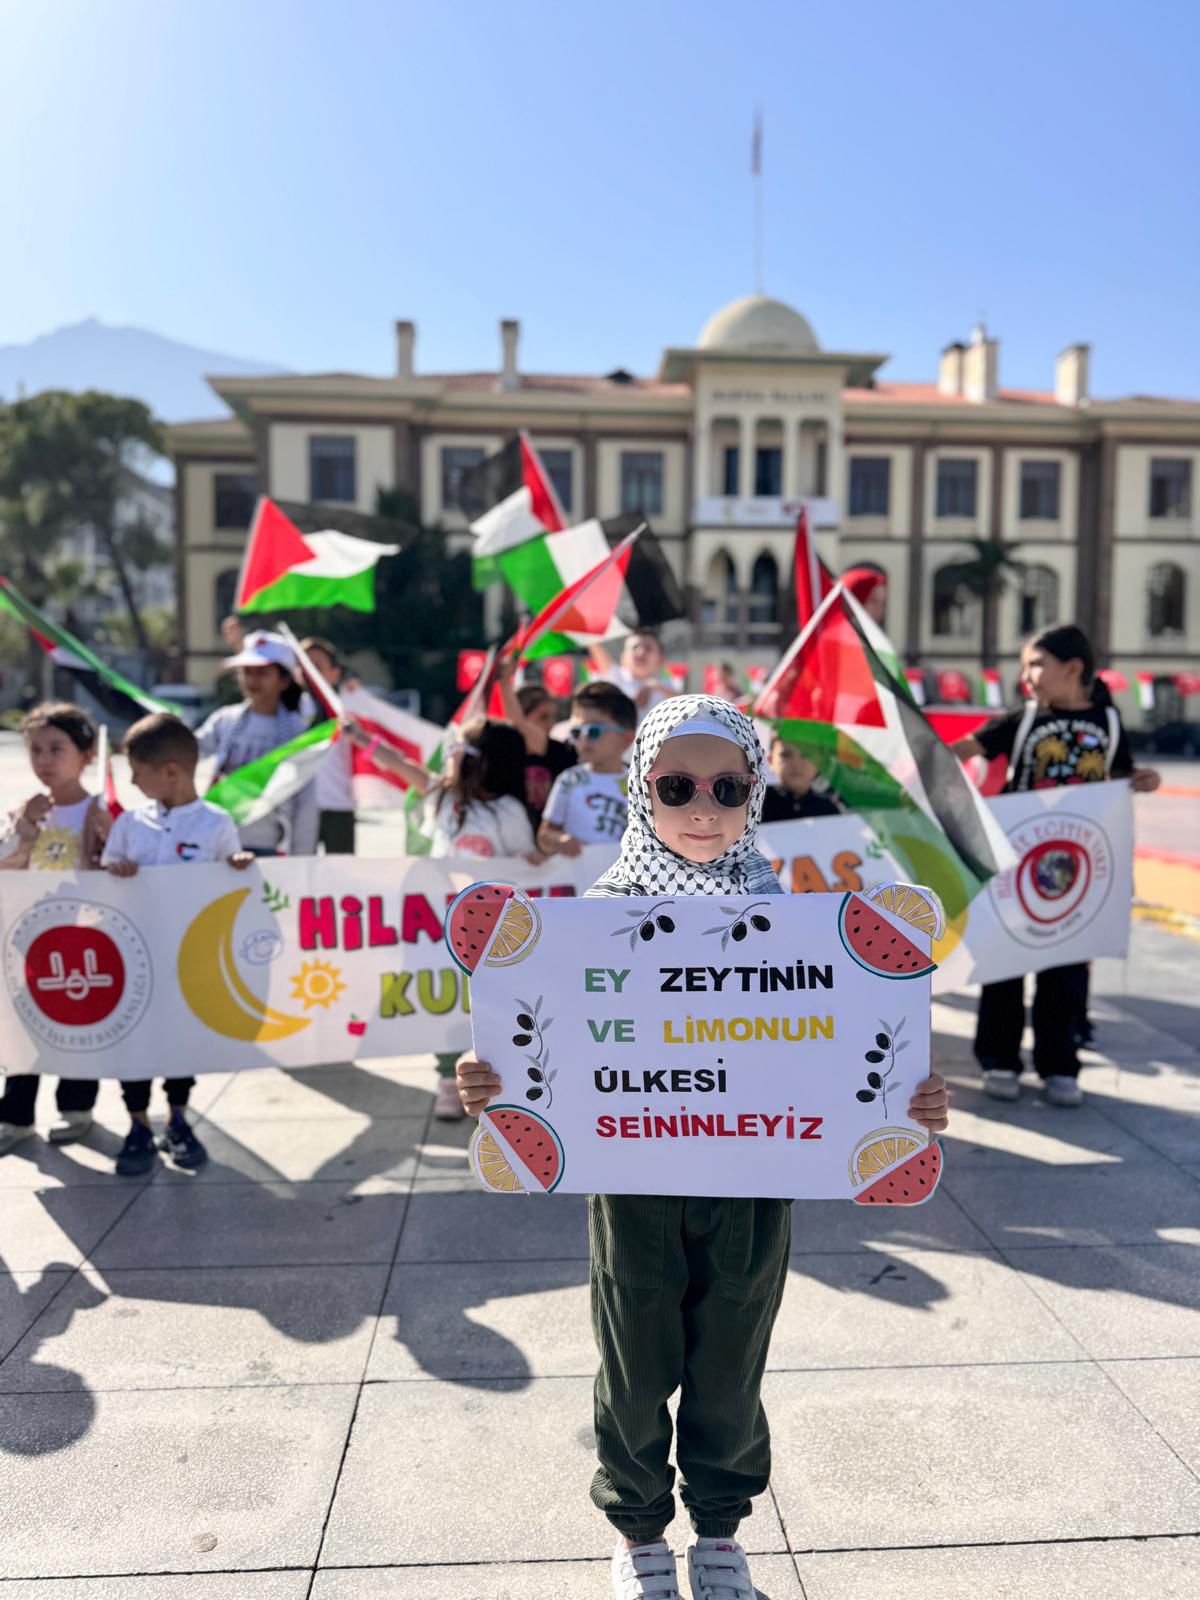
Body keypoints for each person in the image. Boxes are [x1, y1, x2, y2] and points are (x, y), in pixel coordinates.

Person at [456, 695, 950, 1600]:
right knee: (634, 1354)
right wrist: (497, 1081)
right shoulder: (588, 924)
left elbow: (848, 1046)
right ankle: (640, 1528)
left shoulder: (797, 923)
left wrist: (904, 1095)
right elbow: (542, 1036)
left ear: (756, 792)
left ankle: (719, 1528)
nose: (703, 809)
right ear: (641, 791)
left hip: (755, 1185)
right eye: (676, 785)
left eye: (728, 787)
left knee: (732, 1355)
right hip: (633, 1182)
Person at [951, 624, 1160, 1108]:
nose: (1027, 675)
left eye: (1036, 664)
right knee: (1003, 965)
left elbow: (1121, 771)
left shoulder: (1108, 722)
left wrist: (1141, 779)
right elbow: (961, 750)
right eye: (1025, 665)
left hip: (1073, 871)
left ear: (1073, 669)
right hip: (1012, 866)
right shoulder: (1020, 720)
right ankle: (999, 1061)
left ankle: (1060, 1064)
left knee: (1065, 968)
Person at [344, 713, 539, 1121]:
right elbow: (405, 768)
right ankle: (447, 1080)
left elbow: (523, 870)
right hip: (438, 928)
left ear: (484, 762)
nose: (449, 757)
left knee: (484, 1006)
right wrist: (363, 739)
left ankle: (493, 1075)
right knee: (445, 1002)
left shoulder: (508, 813)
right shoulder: (443, 799)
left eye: (458, 749)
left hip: (490, 935)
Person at [101, 713, 254, 1175]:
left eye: (138, 770)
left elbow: (232, 876)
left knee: (179, 1044)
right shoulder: (130, 824)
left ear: (171, 770)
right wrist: (117, 869)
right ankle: (137, 1125)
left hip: (188, 961)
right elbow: (106, 871)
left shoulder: (215, 823)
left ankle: (179, 1119)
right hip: (134, 958)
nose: (130, 780)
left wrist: (237, 864)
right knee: (135, 1043)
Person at [0, 703, 110, 1154]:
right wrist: (25, 828)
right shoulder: (25, 812)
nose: (44, 760)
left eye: (56, 749)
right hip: (31, 938)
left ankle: (77, 1107)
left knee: (79, 1023)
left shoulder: (99, 811)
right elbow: (6, 865)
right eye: (36, 750)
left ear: (85, 754)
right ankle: (15, 1114)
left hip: (81, 938)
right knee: (24, 1026)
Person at [195, 630, 318, 856]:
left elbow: (305, 799)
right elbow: (191, 751)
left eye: (262, 672)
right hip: (221, 841)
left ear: (284, 680)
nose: (252, 680)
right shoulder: (226, 720)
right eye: (247, 672)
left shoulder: (297, 732)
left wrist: (303, 856)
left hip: (270, 844)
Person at [536, 683, 637, 857]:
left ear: (627, 738)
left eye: (594, 731)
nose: (583, 738)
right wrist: (559, 841)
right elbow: (544, 835)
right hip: (579, 879)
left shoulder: (639, 787)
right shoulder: (568, 780)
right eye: (576, 731)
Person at [298, 636, 359, 855]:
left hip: (338, 806)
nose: (309, 673)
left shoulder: (350, 710)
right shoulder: (290, 710)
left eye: (317, 667)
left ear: (335, 674)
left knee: (341, 878)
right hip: (300, 808)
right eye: (303, 666)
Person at [498, 662, 577, 826]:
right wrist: (504, 683)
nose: (550, 724)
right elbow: (518, 724)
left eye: (552, 717)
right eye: (543, 717)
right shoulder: (500, 753)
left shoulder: (560, 751)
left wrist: (505, 683)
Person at [589, 629, 676, 721]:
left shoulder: (666, 687)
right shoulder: (616, 677)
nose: (640, 652)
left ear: (661, 659)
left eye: (648, 648)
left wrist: (654, 687)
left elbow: (683, 705)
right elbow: (593, 643)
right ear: (623, 658)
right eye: (634, 647)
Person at [760, 733, 844, 823]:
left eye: (806, 755)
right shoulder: (755, 804)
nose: (796, 764)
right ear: (770, 760)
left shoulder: (829, 810)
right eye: (786, 755)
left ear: (820, 761)